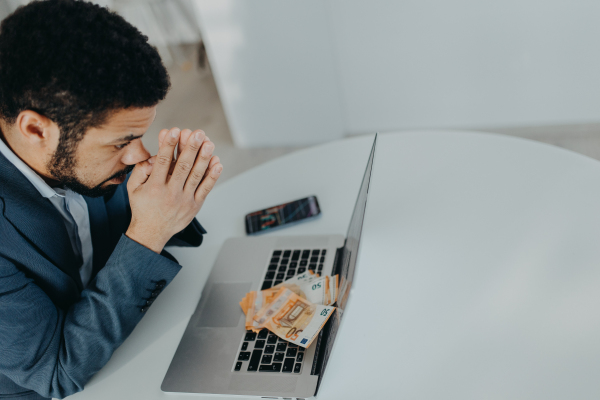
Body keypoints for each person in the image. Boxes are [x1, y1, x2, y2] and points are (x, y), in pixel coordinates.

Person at [0, 1, 223, 399]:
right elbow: (56, 373)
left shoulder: (79, 154)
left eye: (138, 136)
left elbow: (129, 227)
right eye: (121, 142)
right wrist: (147, 234)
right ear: (36, 129)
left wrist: (172, 195)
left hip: (132, 331)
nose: (138, 156)